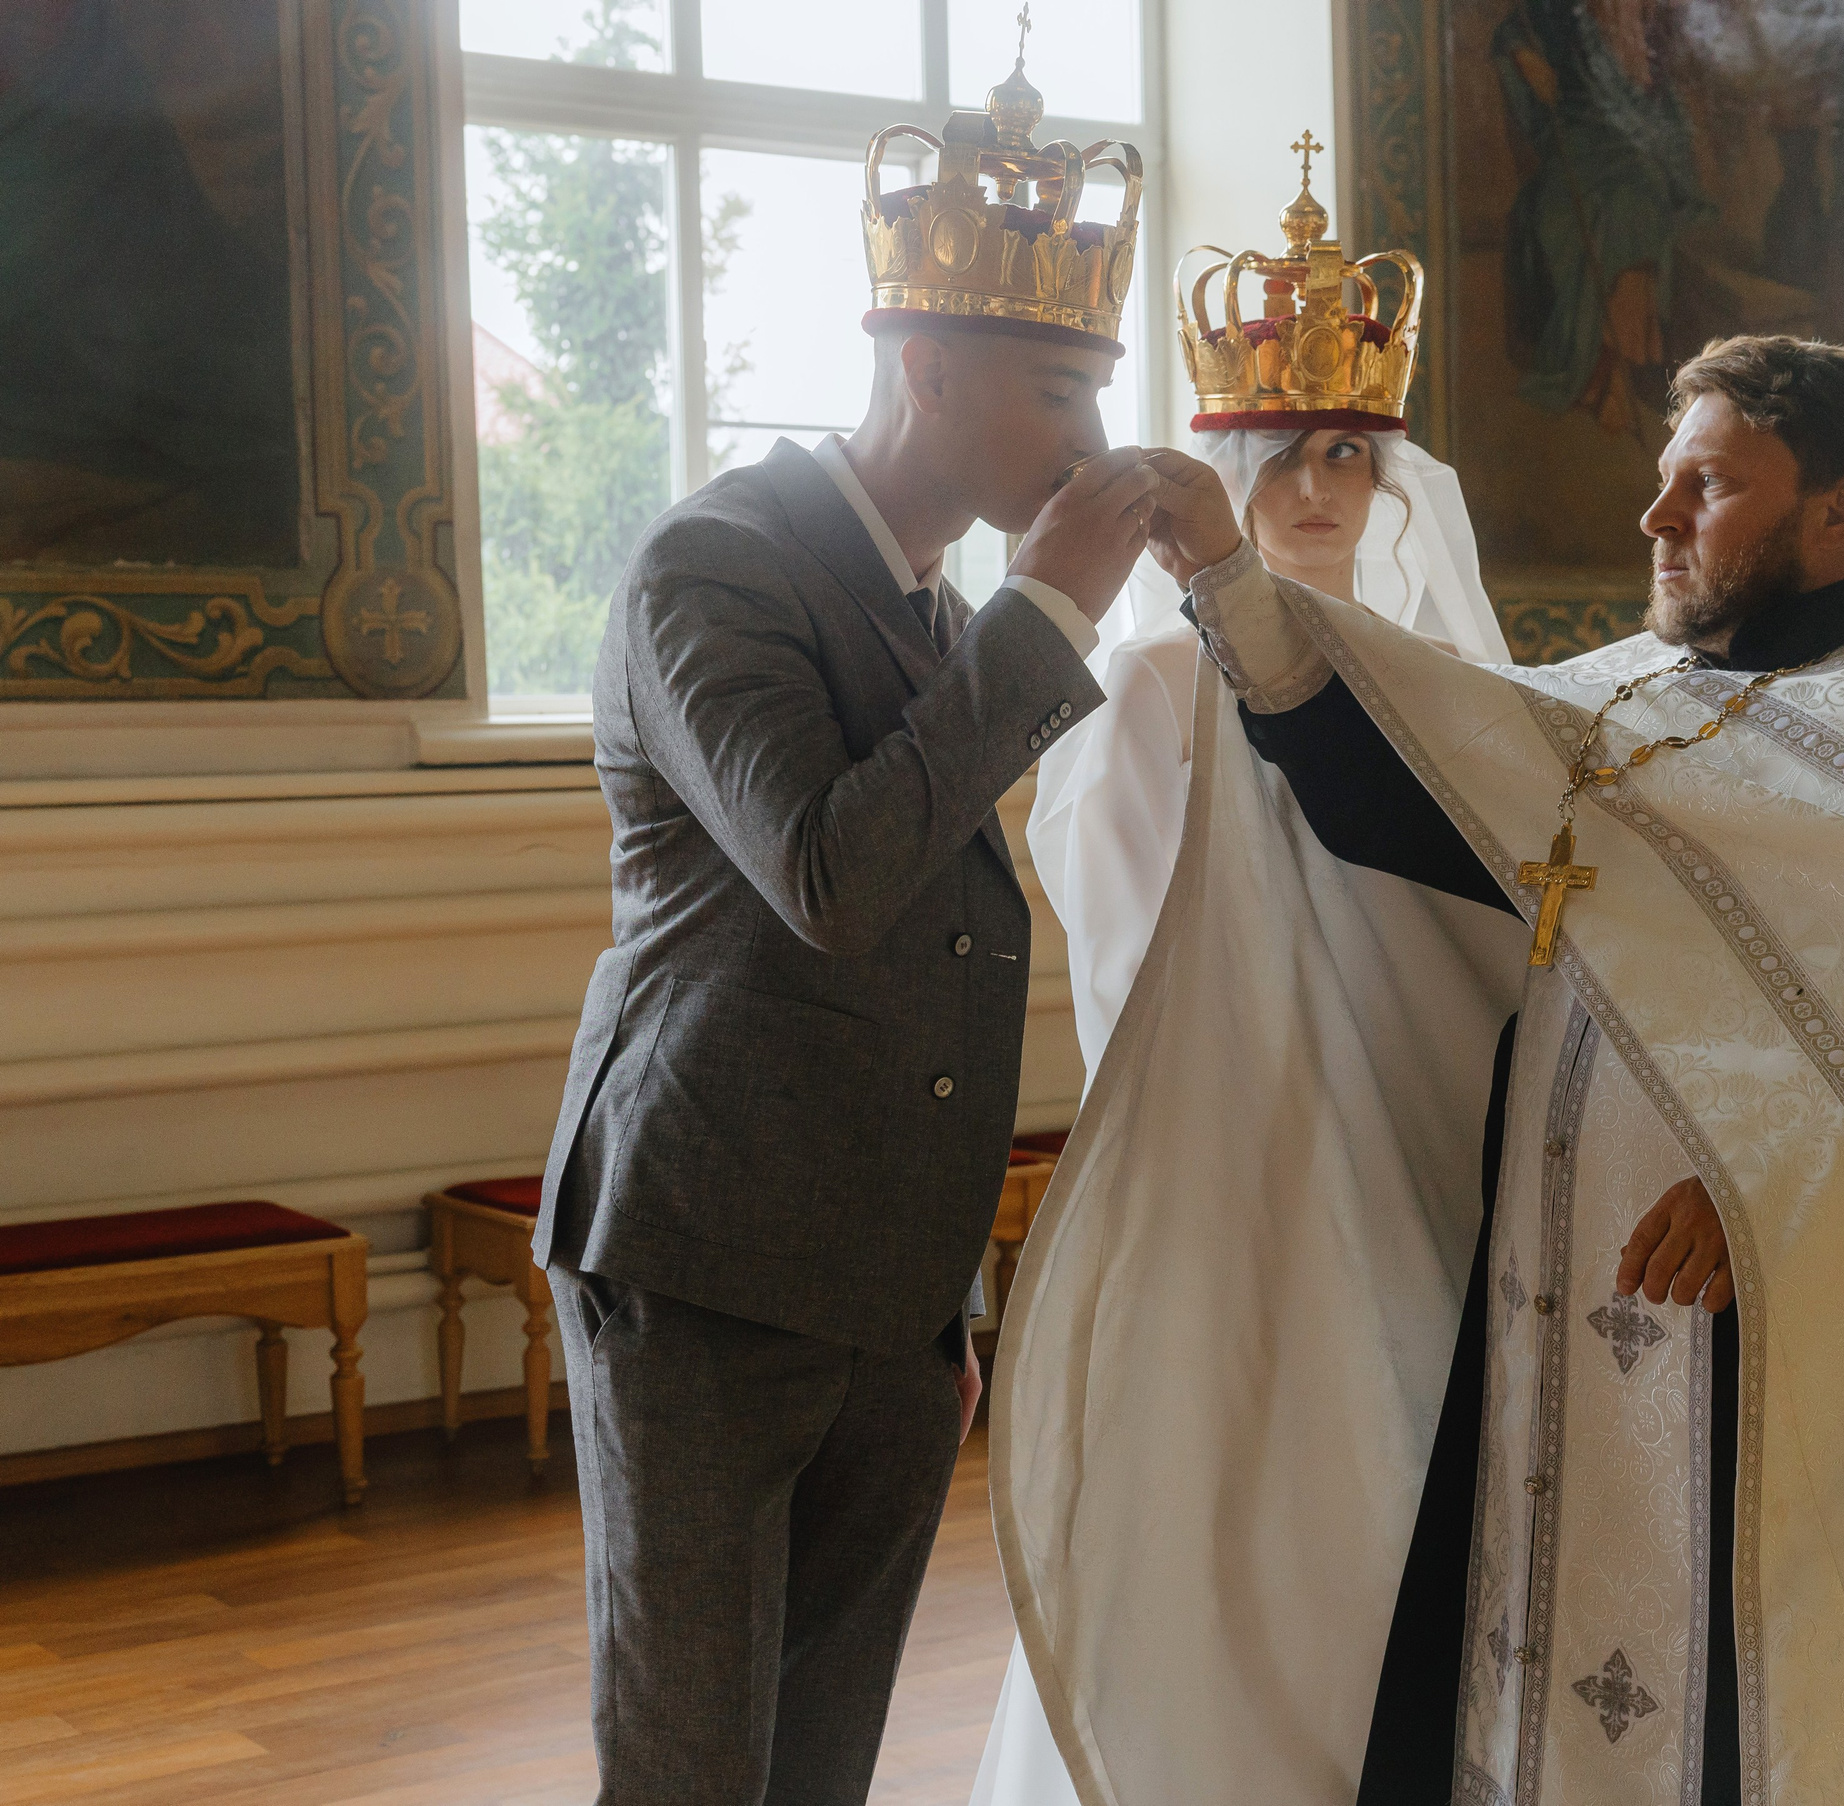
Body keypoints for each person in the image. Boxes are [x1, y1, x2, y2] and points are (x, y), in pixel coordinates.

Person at [989, 335, 1844, 1804]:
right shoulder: (1637, 702)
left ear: (1838, 508)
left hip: (1782, 1346)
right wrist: (1226, 573)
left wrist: (1772, 1171)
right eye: (1663, 480)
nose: (1657, 518)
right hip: (1560, 1292)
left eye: (1709, 483)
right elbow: (1401, 802)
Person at [532, 47, 1168, 1804]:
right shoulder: (715, 564)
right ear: (925, 362)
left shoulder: (929, 600)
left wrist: (942, 1303)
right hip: (712, 1250)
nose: (1091, 446)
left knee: (817, 1762)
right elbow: (830, 874)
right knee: (690, 1760)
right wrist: (1053, 604)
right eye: (1059, 391)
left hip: (889, 1283)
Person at [977, 150, 1509, 1806]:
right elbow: (1141, 965)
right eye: (1293, 449)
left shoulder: (1445, 682)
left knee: (1415, 1496)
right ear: (1232, 457)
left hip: (1421, 1152)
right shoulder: (1146, 684)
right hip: (1240, 1162)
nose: (1323, 485)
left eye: (1354, 452)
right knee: (1236, 1496)